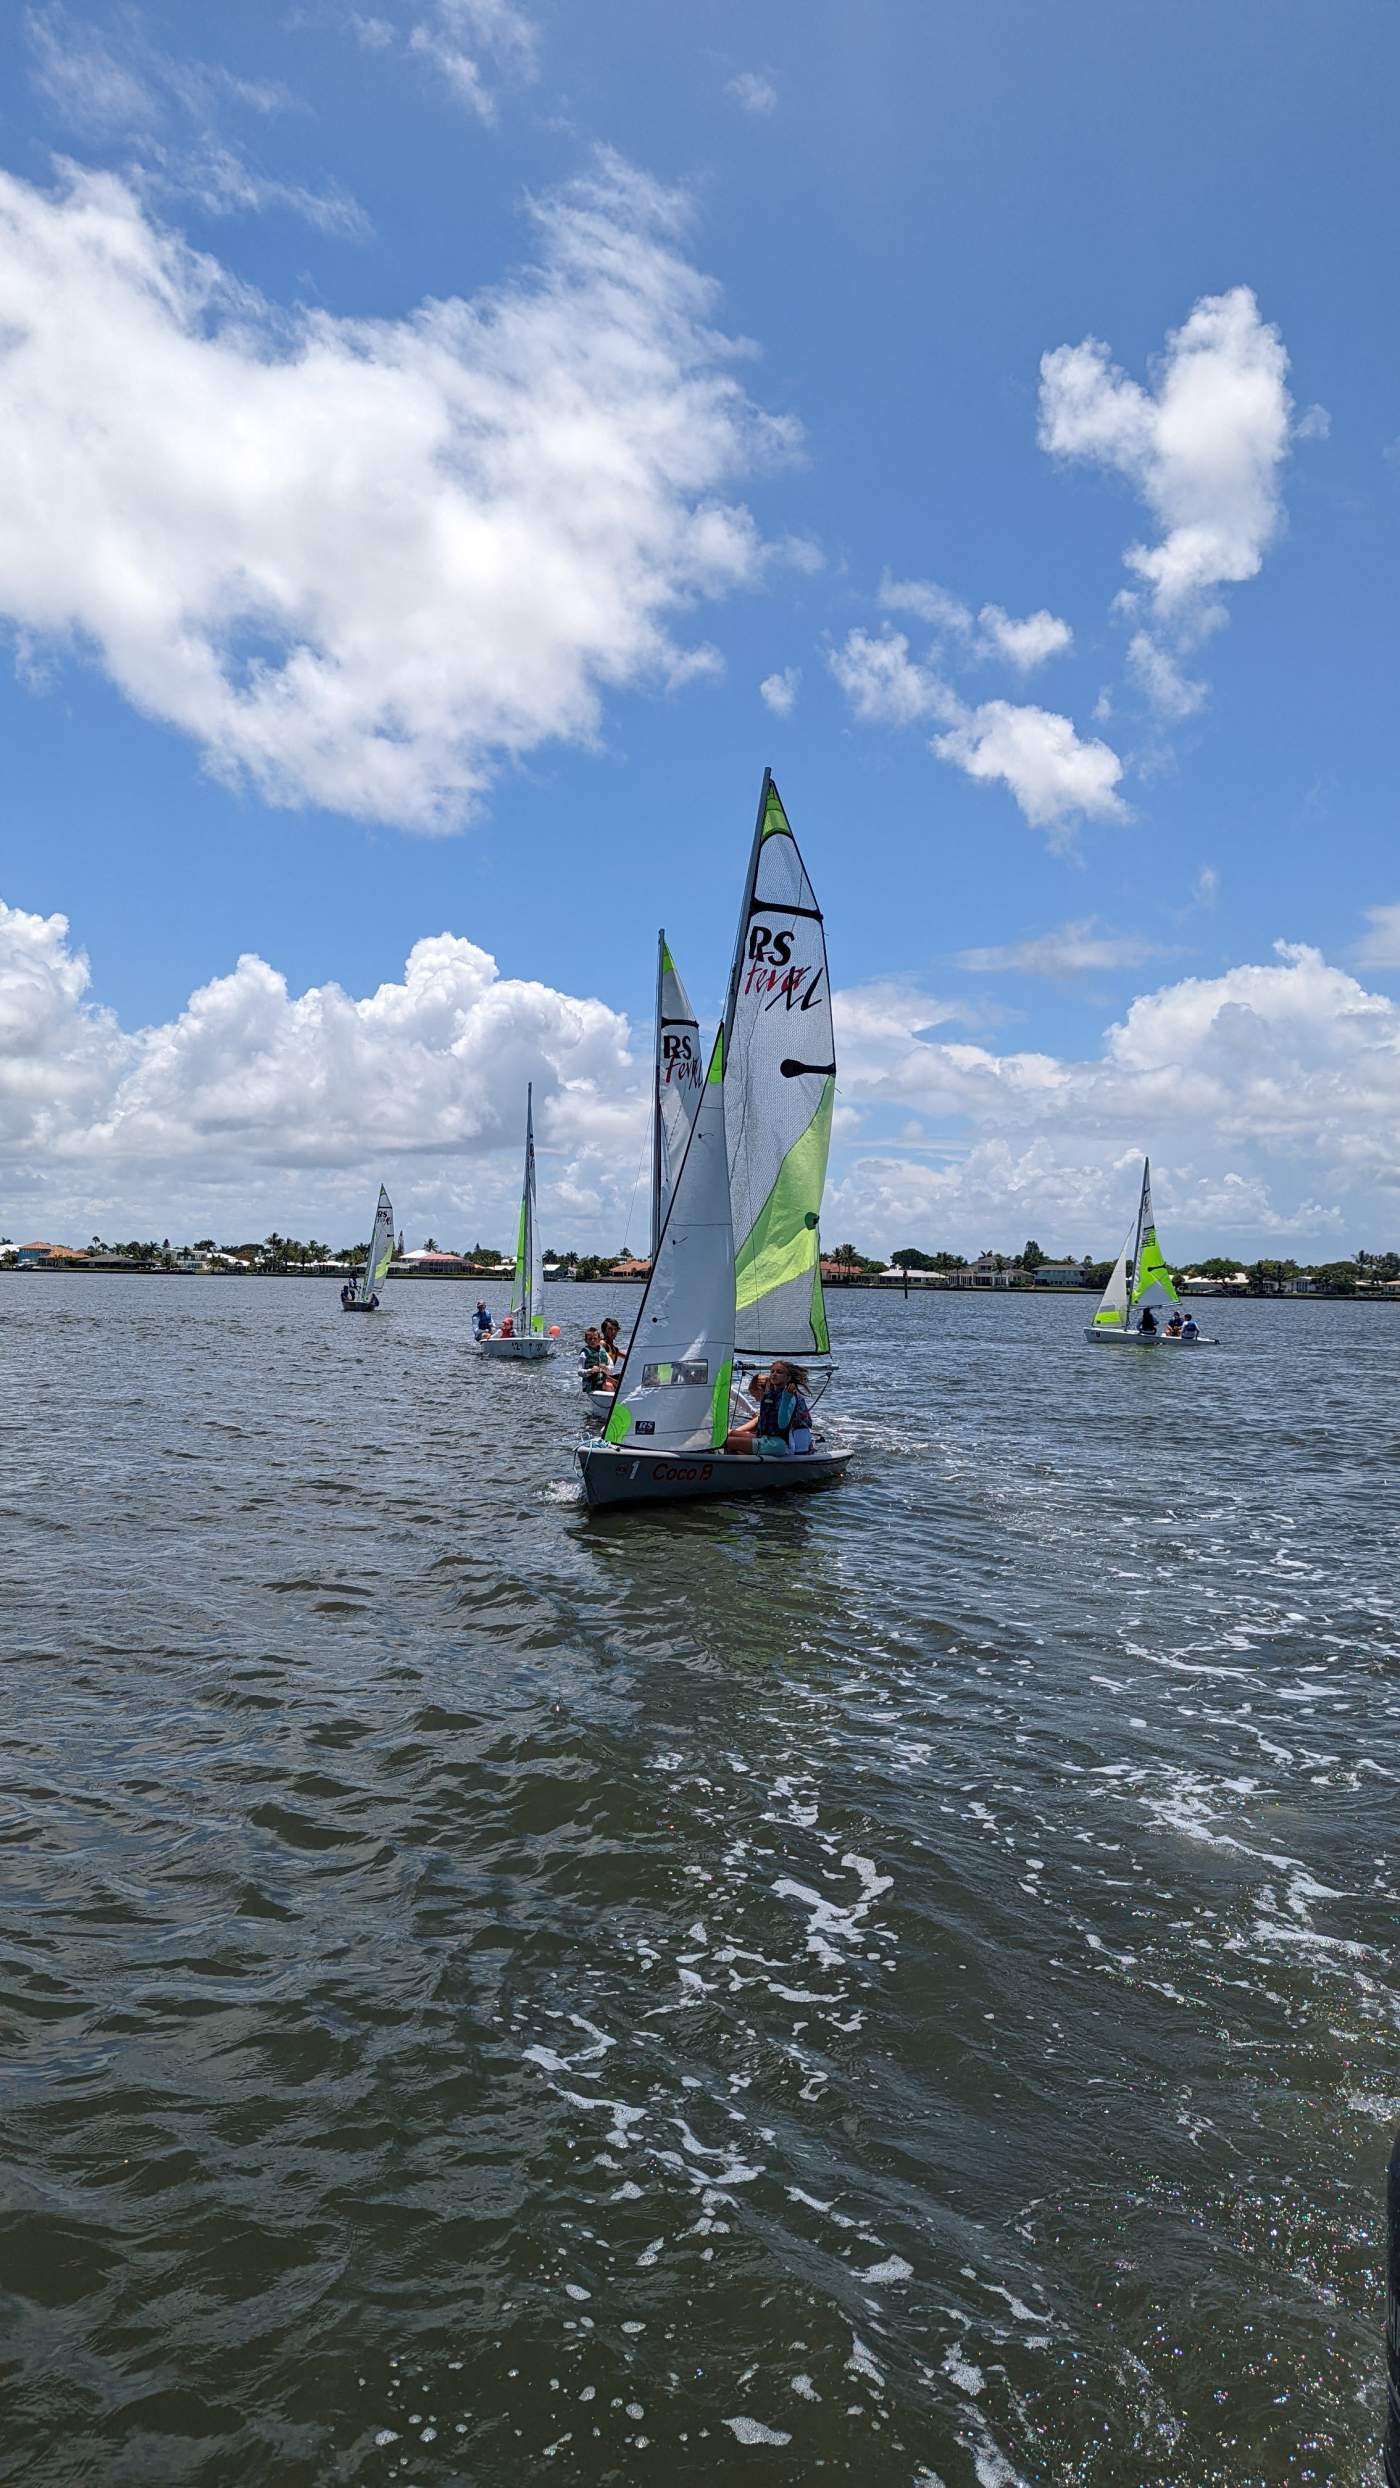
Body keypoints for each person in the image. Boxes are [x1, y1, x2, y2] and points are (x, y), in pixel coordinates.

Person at [728, 1362, 813, 1457]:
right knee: (726, 1436)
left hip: (778, 1444)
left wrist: (786, 1399)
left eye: (779, 1372)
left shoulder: (789, 1397)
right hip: (765, 1439)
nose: (774, 1374)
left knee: (725, 1441)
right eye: (772, 1371)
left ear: (788, 1378)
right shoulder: (770, 1395)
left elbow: (782, 1424)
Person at [580, 1327, 615, 1393]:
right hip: (590, 1385)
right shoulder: (584, 1354)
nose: (592, 1340)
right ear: (586, 1341)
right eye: (590, 1339)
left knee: (610, 1386)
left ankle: (614, 1402)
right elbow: (579, 1371)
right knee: (609, 1386)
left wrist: (605, 1368)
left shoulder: (604, 1353)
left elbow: (611, 1369)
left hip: (602, 1382)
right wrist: (590, 1371)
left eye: (595, 1338)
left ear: (599, 1339)